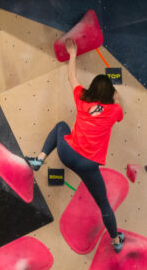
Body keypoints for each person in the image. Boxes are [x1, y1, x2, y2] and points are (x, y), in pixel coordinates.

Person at [27, 39, 126, 252]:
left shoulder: (82, 99)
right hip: (88, 165)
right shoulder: (114, 111)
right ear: (109, 93)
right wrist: (115, 97)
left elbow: (72, 78)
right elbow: (119, 107)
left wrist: (73, 54)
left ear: (92, 90)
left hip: (67, 153)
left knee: (61, 126)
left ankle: (40, 159)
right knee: (103, 204)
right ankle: (116, 241)